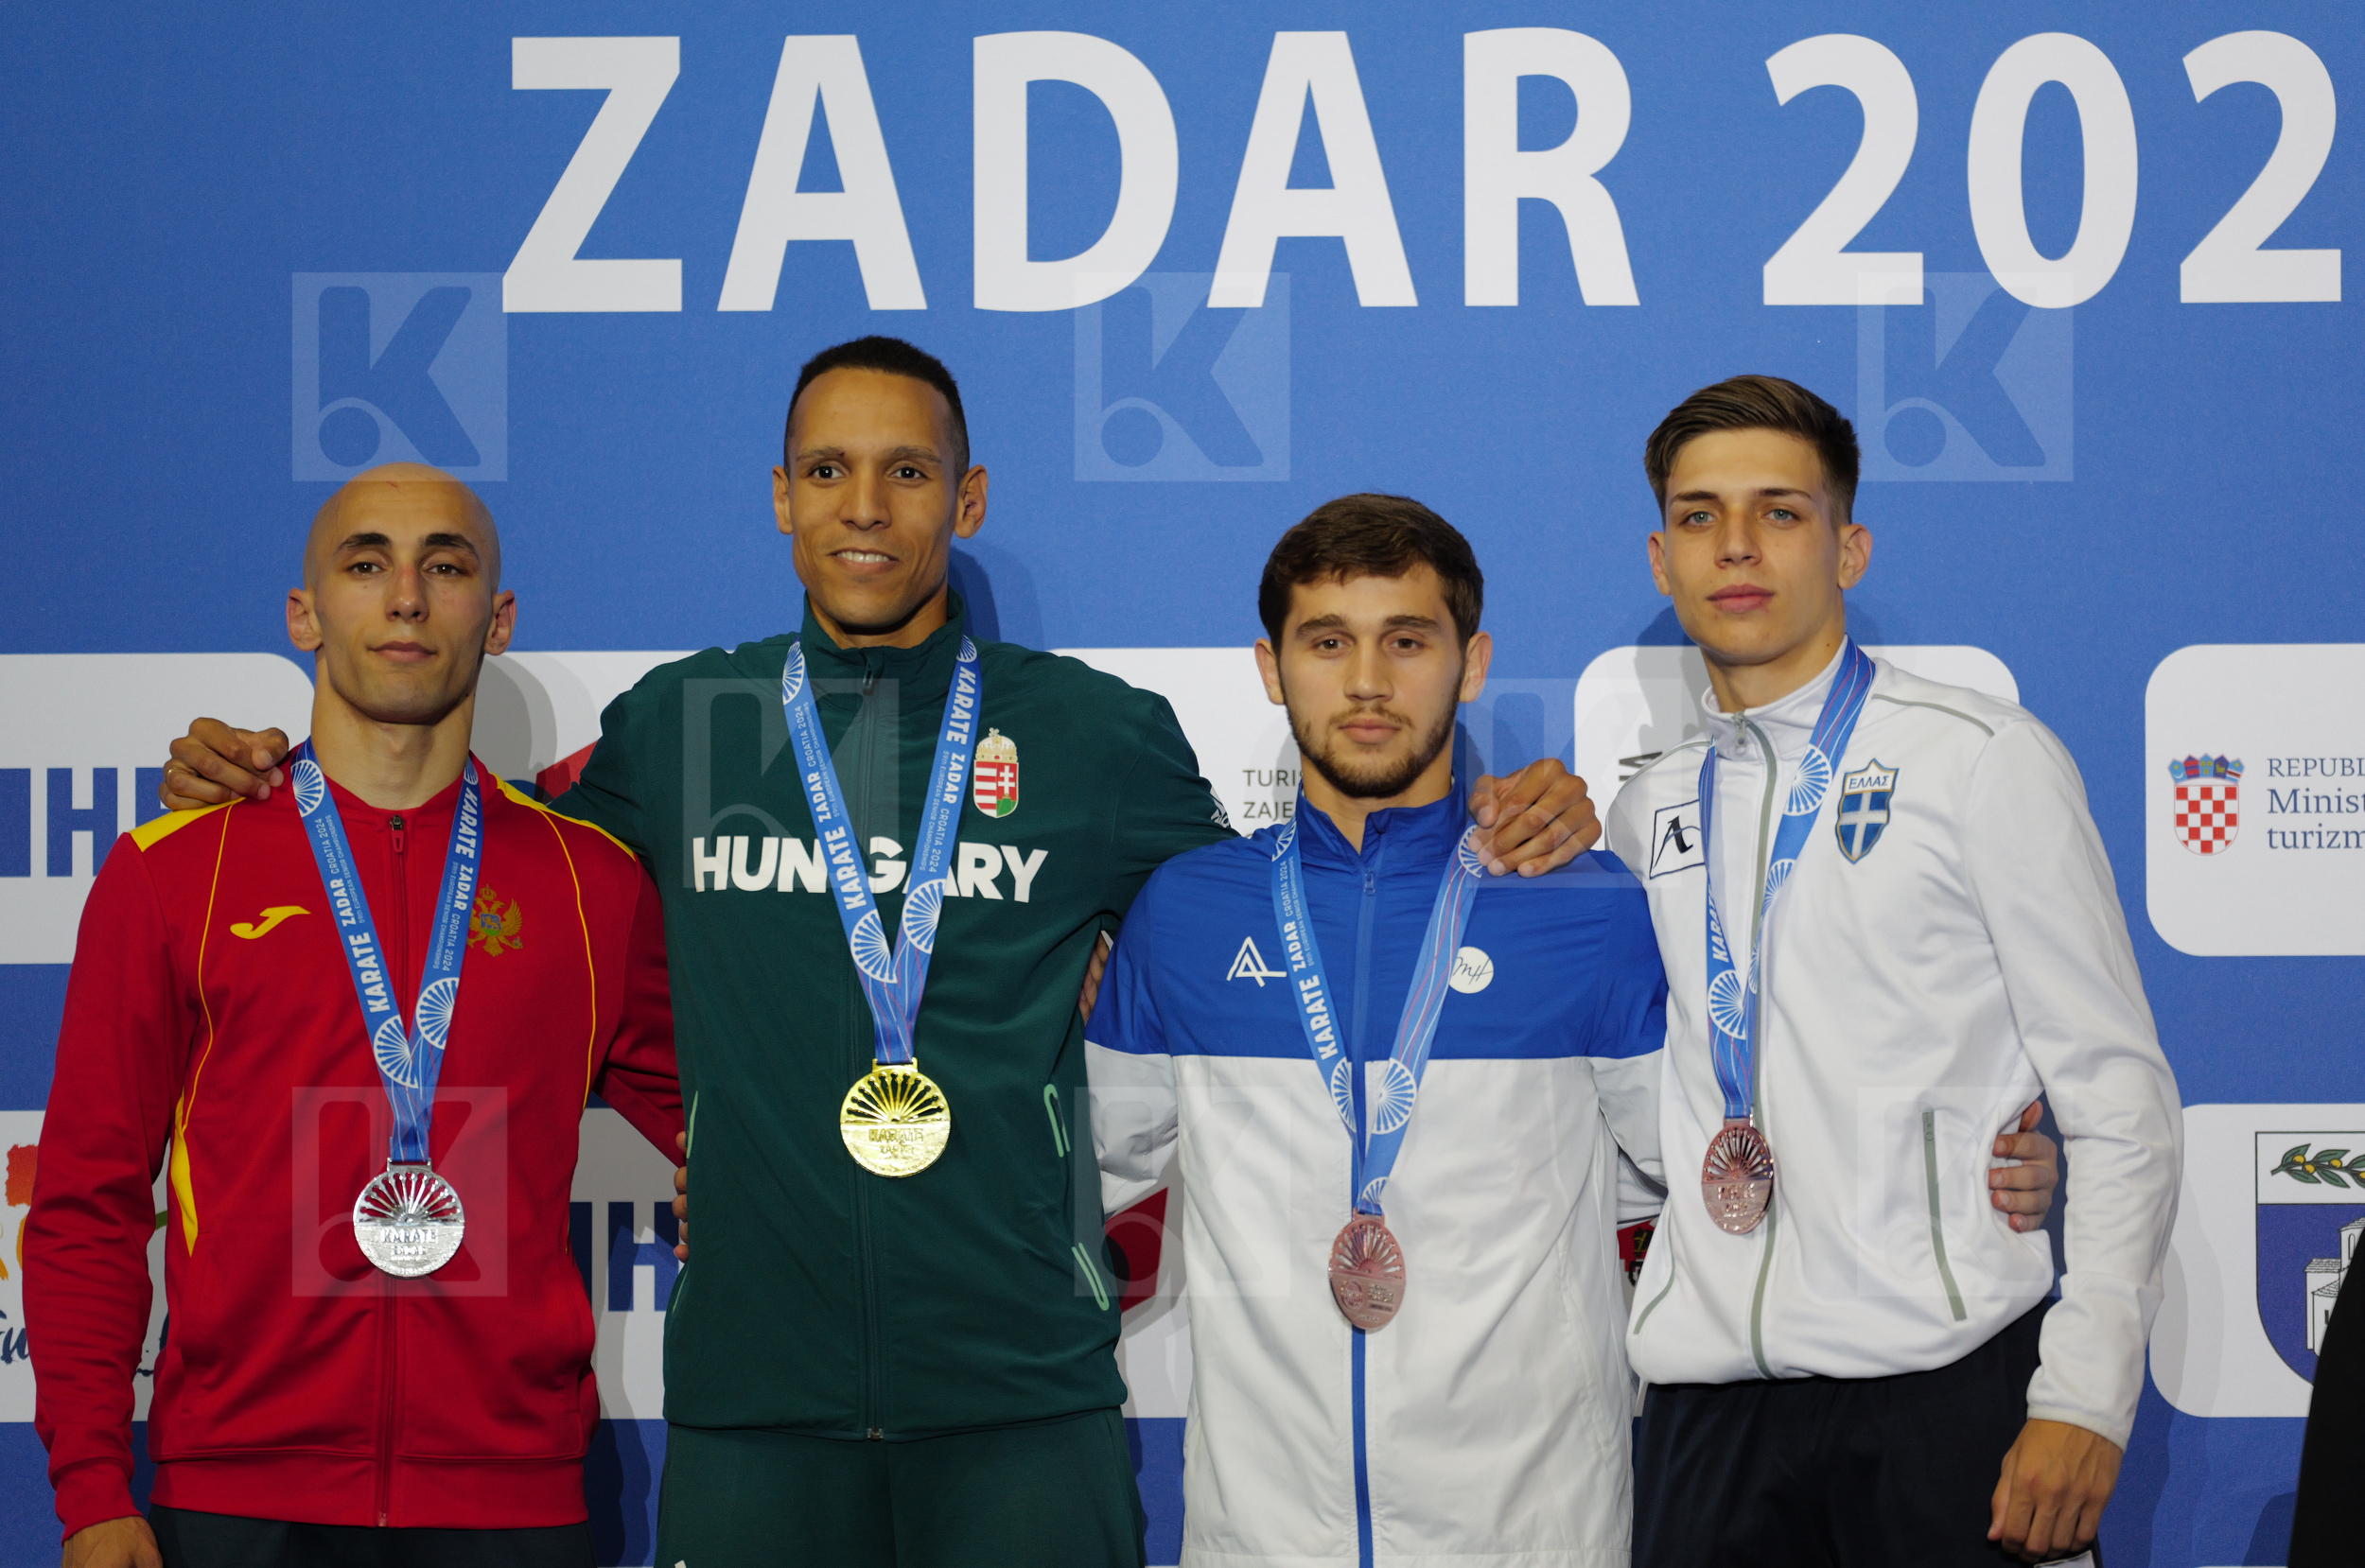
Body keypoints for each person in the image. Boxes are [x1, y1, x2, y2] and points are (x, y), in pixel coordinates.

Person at [154, 339, 1603, 1566]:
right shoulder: (682, 727)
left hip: (1025, 1401)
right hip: (751, 1407)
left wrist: (1512, 813)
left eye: (908, 471)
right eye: (829, 470)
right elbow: (454, 854)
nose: (866, 505)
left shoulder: (1097, 738)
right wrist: (269, 781)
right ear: (781, 499)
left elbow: (1300, 905)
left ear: (964, 499)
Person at [1084, 495, 2061, 1566]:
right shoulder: (1181, 916)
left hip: (1535, 1532)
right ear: (1271, 667)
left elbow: (1719, 1171)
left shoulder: (1588, 906)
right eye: (1328, 641)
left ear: (1474, 659)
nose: (1367, 679)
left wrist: (1964, 1156)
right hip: (1255, 1537)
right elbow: (1086, 1179)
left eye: (1407, 639)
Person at [32, 465, 682, 1568]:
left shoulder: (592, 883)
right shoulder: (171, 871)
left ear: (500, 615)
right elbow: (87, 1198)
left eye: (447, 564)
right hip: (238, 1494)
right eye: (366, 562)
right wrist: (92, 1488)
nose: (408, 597)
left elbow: (736, 1123)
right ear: (304, 612)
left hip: (512, 1503)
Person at [1604, 376, 2183, 1566]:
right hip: (1708, 1410)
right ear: (1661, 559)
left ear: (1848, 545)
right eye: (1701, 516)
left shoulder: (1979, 758)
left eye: (1780, 511)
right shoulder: (1645, 804)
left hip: (1943, 1391)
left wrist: (2083, 1394)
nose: (1739, 547)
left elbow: (2118, 1099)